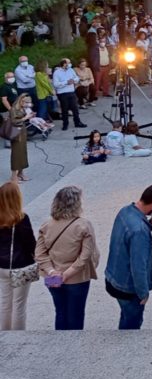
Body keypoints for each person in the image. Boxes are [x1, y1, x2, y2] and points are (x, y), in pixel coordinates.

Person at [34, 185, 100, 330]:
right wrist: (67, 274)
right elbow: (85, 256)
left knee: (60, 312)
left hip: (53, 278)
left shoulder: (46, 225)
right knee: (76, 316)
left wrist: (52, 272)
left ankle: (60, 346)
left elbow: (39, 254)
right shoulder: (84, 225)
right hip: (77, 278)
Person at [105, 183, 152, 330]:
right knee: (132, 324)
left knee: (126, 314)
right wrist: (143, 293)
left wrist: (149, 226)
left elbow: (128, 241)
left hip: (113, 277)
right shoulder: (139, 230)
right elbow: (138, 265)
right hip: (128, 288)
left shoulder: (125, 211)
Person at [0, 180, 36, 330]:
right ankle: (18, 337)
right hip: (21, 267)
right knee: (19, 305)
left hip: (1, 267)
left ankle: (3, 335)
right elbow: (30, 243)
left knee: (5, 303)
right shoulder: (22, 218)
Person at [52, 58, 86, 131]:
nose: (70, 64)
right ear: (64, 64)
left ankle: (77, 122)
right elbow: (56, 84)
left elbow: (76, 77)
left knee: (75, 109)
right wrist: (66, 82)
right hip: (62, 93)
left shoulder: (71, 70)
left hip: (71, 92)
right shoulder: (57, 72)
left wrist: (74, 80)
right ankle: (65, 124)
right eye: (68, 62)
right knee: (65, 109)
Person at [8, 95, 32, 182]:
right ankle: (14, 176)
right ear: (21, 101)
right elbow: (14, 121)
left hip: (22, 132)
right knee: (16, 154)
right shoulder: (14, 109)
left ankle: (21, 173)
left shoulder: (23, 108)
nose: (28, 104)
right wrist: (25, 117)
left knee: (23, 153)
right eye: (27, 102)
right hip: (16, 133)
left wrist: (30, 115)